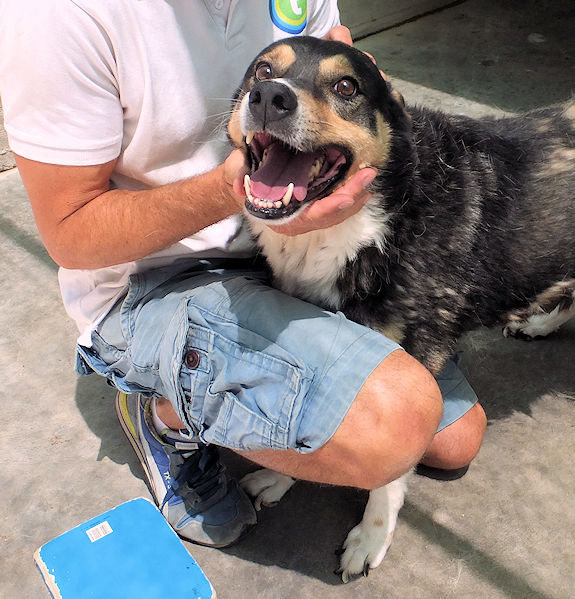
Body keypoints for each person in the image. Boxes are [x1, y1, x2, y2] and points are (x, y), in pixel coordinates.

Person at [0, 0, 486, 548]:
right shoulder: (56, 14)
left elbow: (335, 73)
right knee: (393, 425)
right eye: (264, 79)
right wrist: (230, 191)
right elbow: (69, 232)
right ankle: (164, 411)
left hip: (290, 254)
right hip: (155, 279)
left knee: (453, 441)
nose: (272, 95)